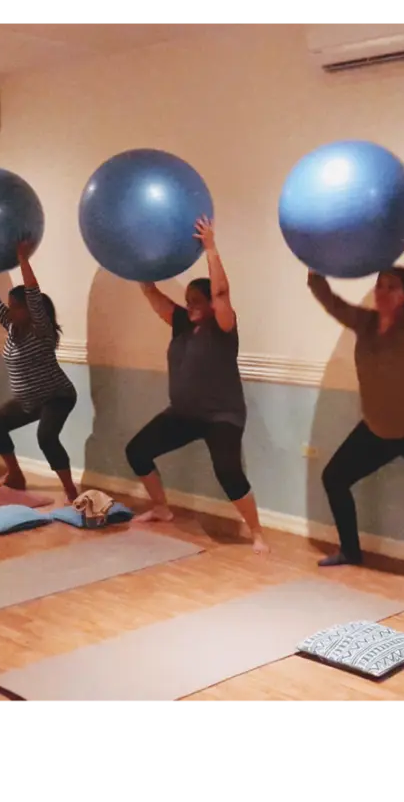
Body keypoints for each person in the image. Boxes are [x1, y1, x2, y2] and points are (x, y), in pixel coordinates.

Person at [307, 213, 404, 602]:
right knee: (334, 478)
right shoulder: (363, 322)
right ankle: (350, 550)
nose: (381, 291)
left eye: (391, 287)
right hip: (376, 431)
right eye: (379, 285)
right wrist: (313, 255)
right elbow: (327, 298)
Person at [127, 217, 269, 554]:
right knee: (137, 451)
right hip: (184, 414)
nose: (190, 304)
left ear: (211, 305)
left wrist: (211, 248)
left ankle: (257, 533)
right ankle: (161, 508)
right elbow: (150, 290)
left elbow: (222, 292)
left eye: (197, 300)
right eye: (188, 299)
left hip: (222, 416)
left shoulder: (223, 328)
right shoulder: (181, 323)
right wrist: (138, 260)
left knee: (228, 472)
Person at [0, 235, 79, 498]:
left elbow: (33, 292)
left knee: (46, 437)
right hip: (28, 400)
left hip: (57, 396)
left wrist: (22, 258)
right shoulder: (12, 326)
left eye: (15, 307)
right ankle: (15, 476)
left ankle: (71, 491)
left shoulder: (41, 330)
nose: (10, 311)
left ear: (30, 310)